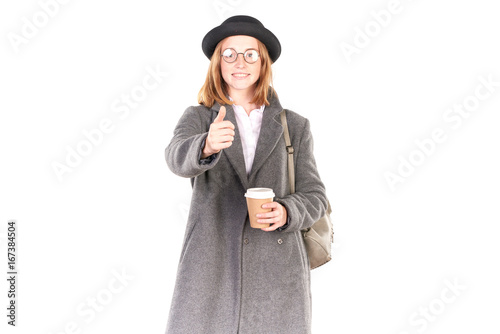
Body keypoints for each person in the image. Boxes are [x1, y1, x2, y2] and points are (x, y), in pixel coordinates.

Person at [164, 15, 328, 334]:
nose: (240, 62)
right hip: (211, 265)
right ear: (218, 62)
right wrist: (206, 144)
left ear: (262, 62)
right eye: (229, 53)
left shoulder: (294, 125)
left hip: (278, 269)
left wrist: (286, 211)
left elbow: (316, 197)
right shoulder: (199, 118)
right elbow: (175, 158)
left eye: (250, 54)